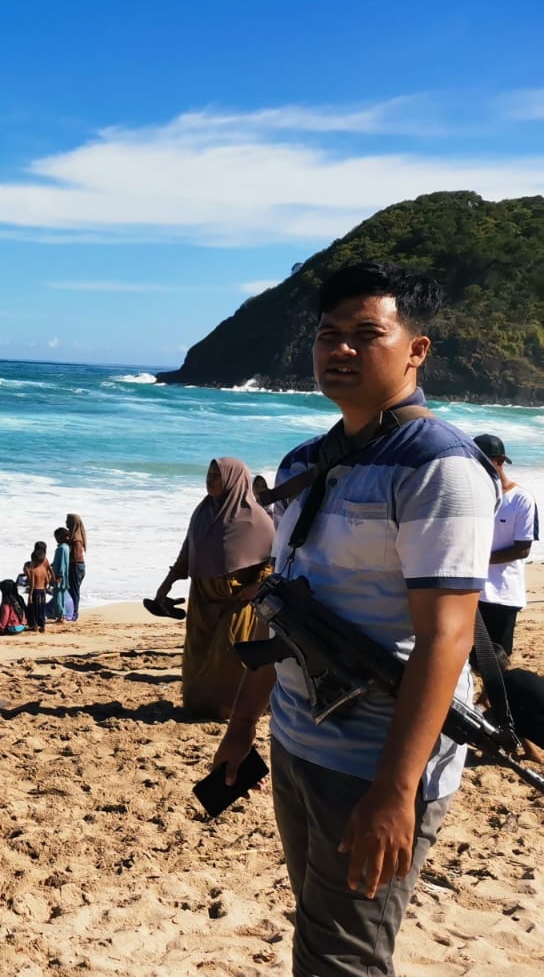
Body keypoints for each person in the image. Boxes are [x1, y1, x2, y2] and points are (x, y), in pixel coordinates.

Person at [212, 263, 499, 977]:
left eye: (366, 334)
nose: (340, 349)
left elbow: (446, 636)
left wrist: (396, 792)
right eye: (328, 334)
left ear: (416, 350)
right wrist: (243, 727)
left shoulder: (440, 468)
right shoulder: (306, 461)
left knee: (341, 959)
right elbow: (283, 609)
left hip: (376, 762)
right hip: (297, 740)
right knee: (320, 935)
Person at [152, 458, 274, 720]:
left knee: (228, 655)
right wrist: (168, 582)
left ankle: (230, 709)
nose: (210, 479)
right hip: (202, 597)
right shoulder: (202, 512)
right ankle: (199, 707)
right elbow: (189, 550)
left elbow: (272, 561)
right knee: (198, 655)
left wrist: (256, 586)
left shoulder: (257, 519)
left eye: (217, 475)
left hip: (236, 600)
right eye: (209, 474)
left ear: (233, 479)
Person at [472, 434, 535, 657]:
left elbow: (523, 548)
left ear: (499, 461)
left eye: (479, 461)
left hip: (502, 593)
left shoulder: (521, 499)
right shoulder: (473, 496)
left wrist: (480, 560)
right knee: (468, 658)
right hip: (471, 590)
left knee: (498, 660)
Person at [23, 542, 53, 631]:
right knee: (41, 608)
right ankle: (42, 625)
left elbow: (32, 584)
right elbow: (47, 579)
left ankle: (34, 625)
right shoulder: (44, 566)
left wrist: (30, 595)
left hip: (35, 591)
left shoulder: (33, 571)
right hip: (42, 591)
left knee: (34, 609)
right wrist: (46, 587)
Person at [65, 513, 88, 617]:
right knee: (72, 590)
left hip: (76, 566)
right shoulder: (74, 535)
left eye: (67, 520)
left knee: (74, 590)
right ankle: (71, 611)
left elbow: (76, 555)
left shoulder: (76, 538)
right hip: (77, 566)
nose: (66, 522)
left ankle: (74, 612)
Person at [52, 528, 73, 622]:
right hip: (64, 575)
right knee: (61, 596)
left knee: (58, 597)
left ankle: (60, 617)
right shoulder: (66, 547)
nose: (56, 539)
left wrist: (59, 575)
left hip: (59, 576)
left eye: (57, 537)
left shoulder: (61, 548)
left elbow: (62, 563)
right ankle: (62, 615)